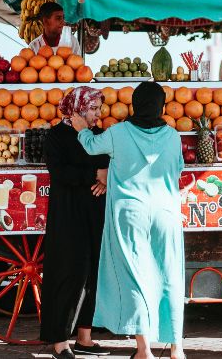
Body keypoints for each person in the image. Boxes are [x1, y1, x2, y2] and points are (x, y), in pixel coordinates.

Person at [72, 81, 187, 359]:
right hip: (166, 214)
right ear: (161, 106)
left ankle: (143, 349)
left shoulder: (119, 132)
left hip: (129, 215)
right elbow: (178, 168)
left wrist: (81, 130)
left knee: (135, 277)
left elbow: (91, 146)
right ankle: (176, 349)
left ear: (135, 105)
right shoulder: (172, 136)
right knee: (171, 277)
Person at [41, 86, 111, 358]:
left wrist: (104, 179)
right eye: (93, 108)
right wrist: (95, 174)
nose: (98, 113)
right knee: (68, 273)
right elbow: (60, 173)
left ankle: (85, 337)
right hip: (68, 214)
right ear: (76, 109)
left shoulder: (99, 136)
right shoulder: (56, 136)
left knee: (94, 273)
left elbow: (108, 165)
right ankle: (59, 341)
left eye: (98, 108)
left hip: (95, 210)